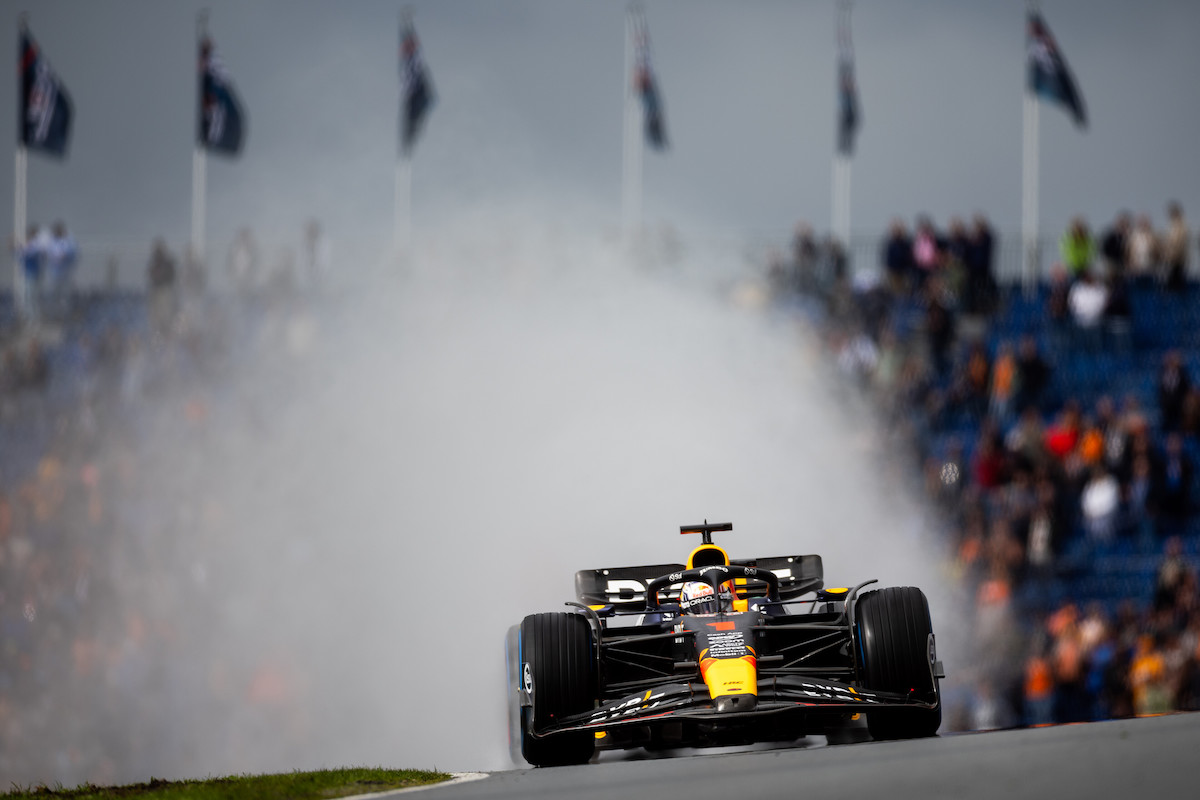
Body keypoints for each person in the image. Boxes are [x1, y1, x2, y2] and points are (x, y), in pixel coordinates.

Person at [1161, 201, 1190, 292]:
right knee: (1170, 282)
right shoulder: (1172, 226)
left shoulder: (1182, 226)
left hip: (1178, 259)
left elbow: (1179, 244)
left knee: (1176, 283)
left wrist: (1171, 254)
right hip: (1171, 259)